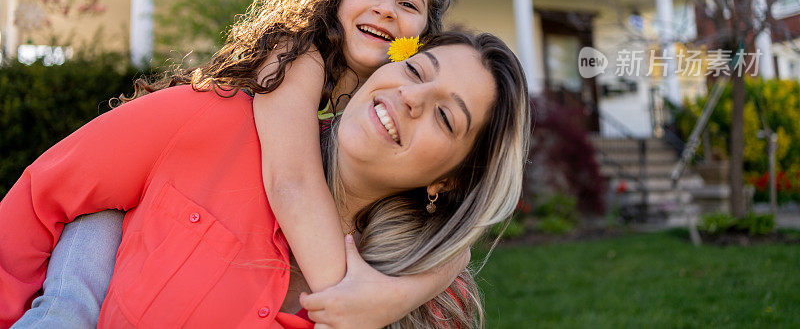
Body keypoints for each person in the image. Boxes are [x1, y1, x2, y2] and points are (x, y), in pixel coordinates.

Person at [10, 0, 460, 328]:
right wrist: (364, 301)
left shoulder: (392, 122)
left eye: (407, 3)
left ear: (422, 38)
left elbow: (462, 233)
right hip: (121, 211)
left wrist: (413, 288)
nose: (385, 9)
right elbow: (292, 180)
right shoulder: (298, 57)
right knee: (69, 303)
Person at [0, 31, 531, 328]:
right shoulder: (209, 120)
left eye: (446, 117)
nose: (413, 97)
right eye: (416, 70)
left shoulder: (432, 311)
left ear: (455, 180)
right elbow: (35, 206)